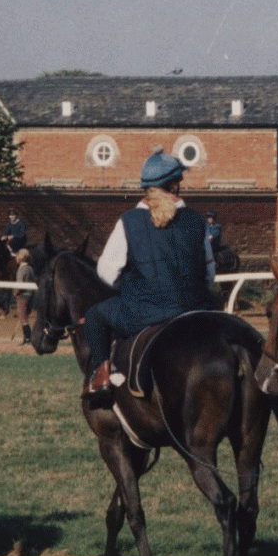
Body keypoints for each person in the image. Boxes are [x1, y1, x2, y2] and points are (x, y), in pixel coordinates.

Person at [82, 152, 217, 406]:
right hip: (196, 309)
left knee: (95, 316)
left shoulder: (128, 221)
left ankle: (102, 378)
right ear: (174, 185)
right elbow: (209, 275)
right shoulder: (197, 221)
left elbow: (106, 273)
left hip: (144, 312)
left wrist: (129, 287)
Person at [13, 248, 37, 344]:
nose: (16, 258)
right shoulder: (30, 268)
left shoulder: (22, 269)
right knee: (25, 316)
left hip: (23, 296)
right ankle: (28, 337)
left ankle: (28, 338)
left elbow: (20, 284)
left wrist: (15, 293)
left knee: (23, 318)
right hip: (30, 294)